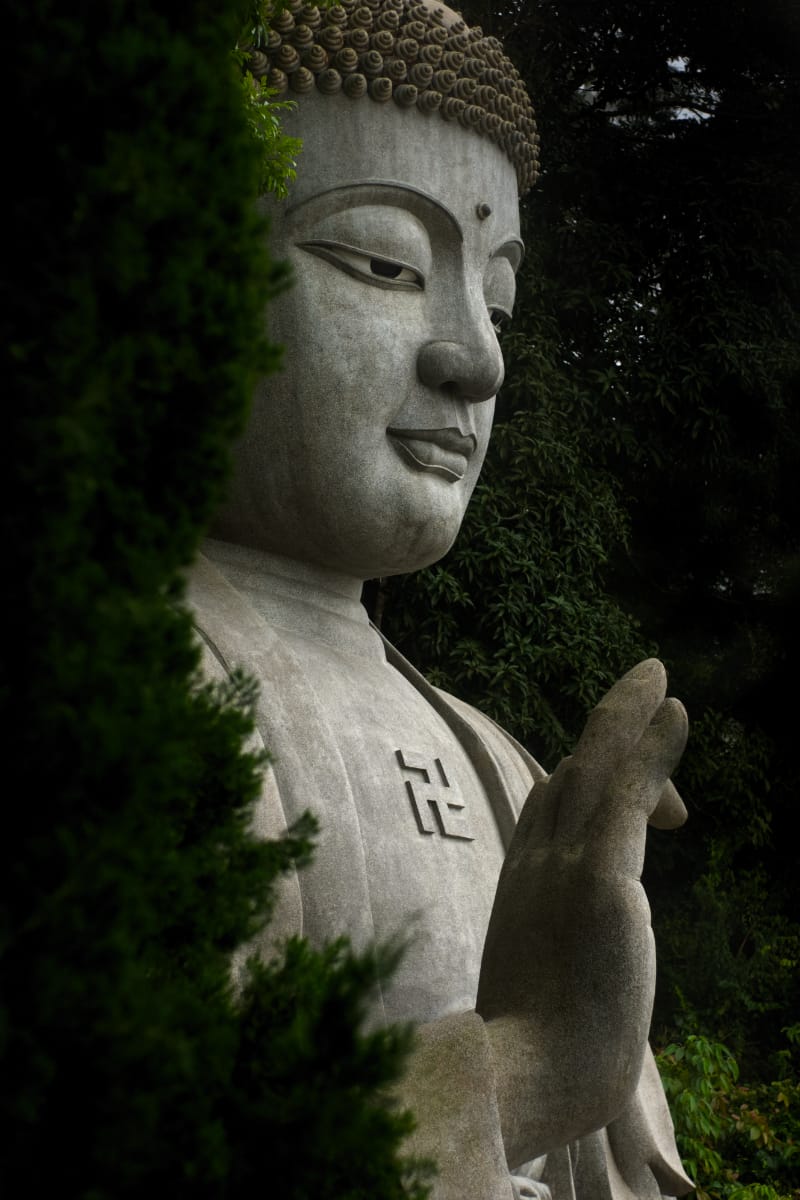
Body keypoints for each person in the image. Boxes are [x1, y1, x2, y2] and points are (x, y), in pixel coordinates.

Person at [188, 2, 694, 1196]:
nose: (476, 357)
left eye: (498, 300)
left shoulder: (505, 768)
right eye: (384, 264)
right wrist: (527, 1069)